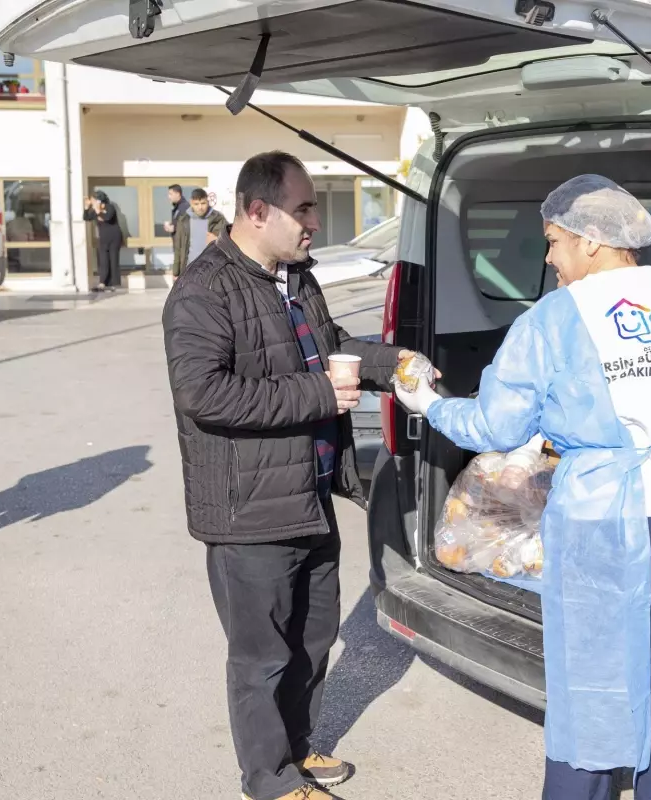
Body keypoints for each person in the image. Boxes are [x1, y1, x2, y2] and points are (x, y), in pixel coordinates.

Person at [395, 175, 651, 799]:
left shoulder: (552, 319)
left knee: (592, 708)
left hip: (609, 534)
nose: (549, 259)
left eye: (553, 242)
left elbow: (497, 424)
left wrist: (431, 404)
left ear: (593, 242)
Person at [163, 151, 417, 800]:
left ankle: (297, 749)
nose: (314, 221)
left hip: (307, 493)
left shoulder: (295, 277)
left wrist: (396, 364)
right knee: (262, 657)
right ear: (256, 212)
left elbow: (333, 350)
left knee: (313, 636)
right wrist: (315, 398)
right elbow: (205, 396)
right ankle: (269, 780)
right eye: (303, 209)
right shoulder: (202, 292)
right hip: (249, 509)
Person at [171, 188, 228, 278]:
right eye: (196, 204)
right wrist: (176, 272)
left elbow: (230, 241)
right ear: (191, 203)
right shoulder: (183, 220)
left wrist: (217, 240)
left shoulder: (218, 218)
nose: (200, 207)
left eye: (203, 203)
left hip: (211, 271)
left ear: (207, 202)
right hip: (189, 270)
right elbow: (178, 247)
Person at [82, 191, 122, 292]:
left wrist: (98, 210)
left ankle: (115, 284)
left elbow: (107, 218)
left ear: (99, 200)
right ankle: (102, 283)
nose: (92, 201)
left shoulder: (110, 207)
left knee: (113, 259)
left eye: (93, 200)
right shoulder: (95, 210)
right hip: (104, 238)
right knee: (103, 260)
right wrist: (87, 207)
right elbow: (86, 218)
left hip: (114, 237)